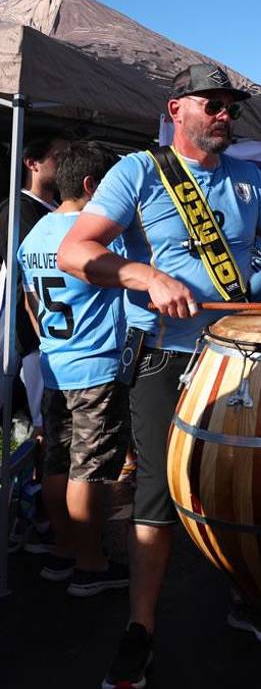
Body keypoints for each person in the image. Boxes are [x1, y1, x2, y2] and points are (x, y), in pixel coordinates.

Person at [58, 63, 261, 689]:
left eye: (232, 105)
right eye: (214, 103)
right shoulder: (139, 173)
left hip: (241, 353)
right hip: (167, 358)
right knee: (157, 496)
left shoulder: (250, 180)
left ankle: (244, 596)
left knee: (244, 485)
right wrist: (145, 277)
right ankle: (140, 630)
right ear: (177, 110)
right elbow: (77, 251)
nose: (226, 113)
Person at [17, 140, 129, 596]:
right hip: (95, 370)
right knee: (93, 471)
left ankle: (65, 550)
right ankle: (90, 563)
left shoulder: (32, 236)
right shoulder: (99, 237)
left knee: (57, 462)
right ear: (91, 185)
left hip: (55, 364)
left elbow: (28, 301)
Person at [1, 132, 69, 546]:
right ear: (32, 163)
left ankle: (40, 517)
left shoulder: (53, 212)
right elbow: (24, 287)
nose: (63, 164)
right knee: (37, 433)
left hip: (50, 344)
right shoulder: (18, 210)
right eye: (58, 157)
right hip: (30, 343)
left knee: (47, 435)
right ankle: (31, 520)